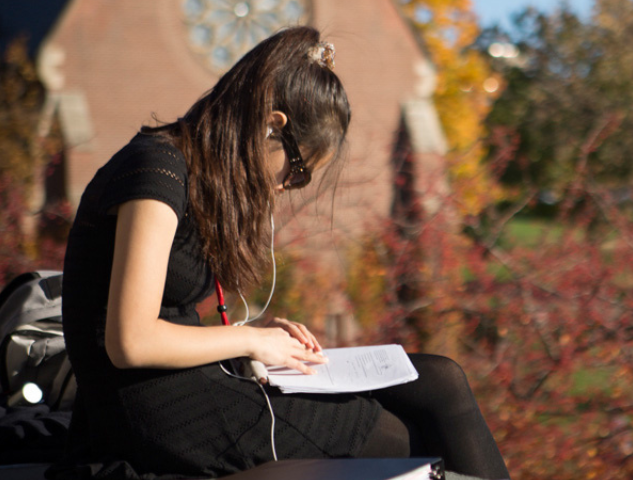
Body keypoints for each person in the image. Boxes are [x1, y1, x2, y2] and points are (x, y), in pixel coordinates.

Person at [48, 27, 509, 480]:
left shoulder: (190, 173)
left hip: (187, 386)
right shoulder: (156, 171)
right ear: (273, 124)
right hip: (154, 410)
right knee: (401, 436)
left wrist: (260, 337)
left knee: (438, 380)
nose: (288, 187)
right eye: (298, 171)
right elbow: (130, 340)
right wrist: (250, 340)